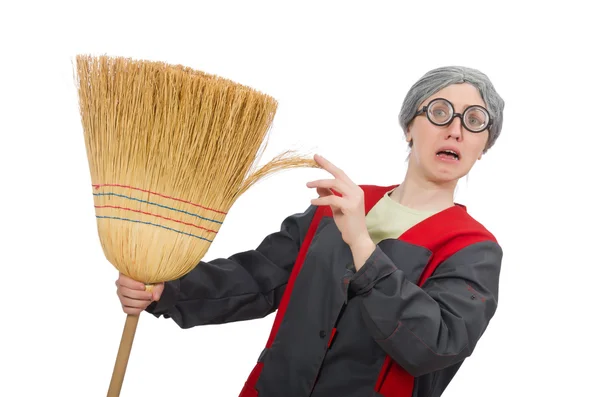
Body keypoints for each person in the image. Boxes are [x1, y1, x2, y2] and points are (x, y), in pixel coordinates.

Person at [115, 65, 505, 397]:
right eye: (440, 112)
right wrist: (166, 289)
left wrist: (362, 245)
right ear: (408, 127)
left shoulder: (473, 249)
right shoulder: (339, 204)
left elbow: (433, 346)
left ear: (483, 145)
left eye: (474, 121)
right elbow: (259, 279)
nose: (455, 130)